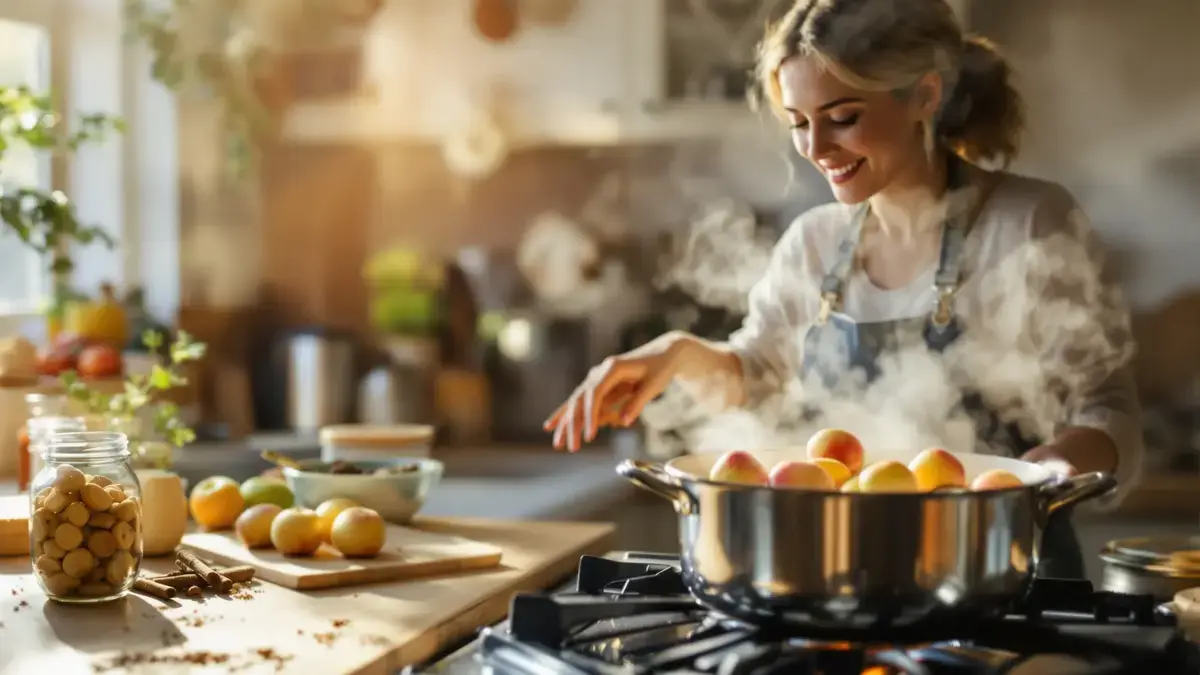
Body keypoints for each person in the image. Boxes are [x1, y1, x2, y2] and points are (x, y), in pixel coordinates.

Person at [543, 0, 1141, 579]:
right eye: (799, 124)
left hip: (1003, 576)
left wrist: (1037, 475)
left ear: (925, 95)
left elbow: (1107, 409)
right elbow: (757, 374)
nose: (815, 149)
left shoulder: (1029, 223)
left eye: (843, 117)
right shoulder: (815, 242)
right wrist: (676, 352)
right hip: (847, 580)